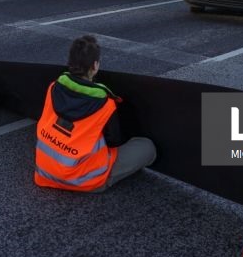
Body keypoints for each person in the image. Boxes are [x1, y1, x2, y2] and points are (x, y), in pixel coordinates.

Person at [34, 35, 157, 192]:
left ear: (70, 63)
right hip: (85, 179)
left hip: (46, 171)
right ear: (95, 66)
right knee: (147, 147)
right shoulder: (105, 103)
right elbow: (114, 141)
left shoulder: (53, 88)